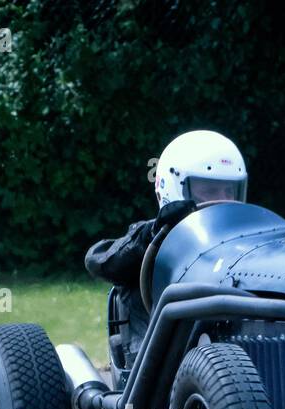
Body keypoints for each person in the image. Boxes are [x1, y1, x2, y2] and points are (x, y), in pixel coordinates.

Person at [85, 130, 248, 372]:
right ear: (174, 187)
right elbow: (98, 259)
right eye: (210, 190)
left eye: (229, 190)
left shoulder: (242, 244)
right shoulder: (151, 236)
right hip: (157, 374)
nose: (224, 199)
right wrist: (154, 235)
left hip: (229, 370)